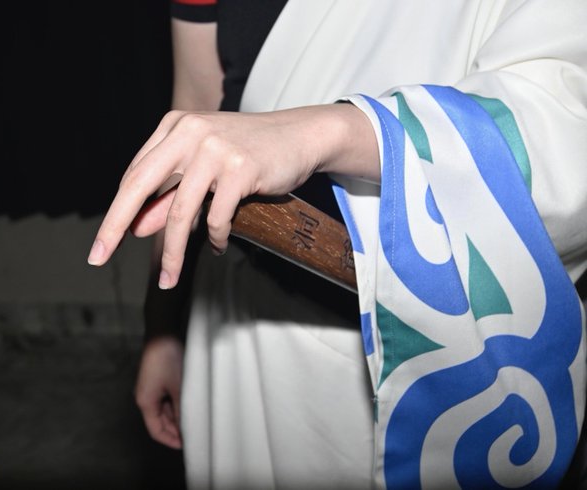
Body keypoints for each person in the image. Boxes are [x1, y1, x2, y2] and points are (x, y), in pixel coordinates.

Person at [89, 1, 587, 488]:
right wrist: (163, 330)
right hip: (231, 312)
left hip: (392, 343)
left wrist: (329, 130)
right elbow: (196, 111)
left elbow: (563, 127)